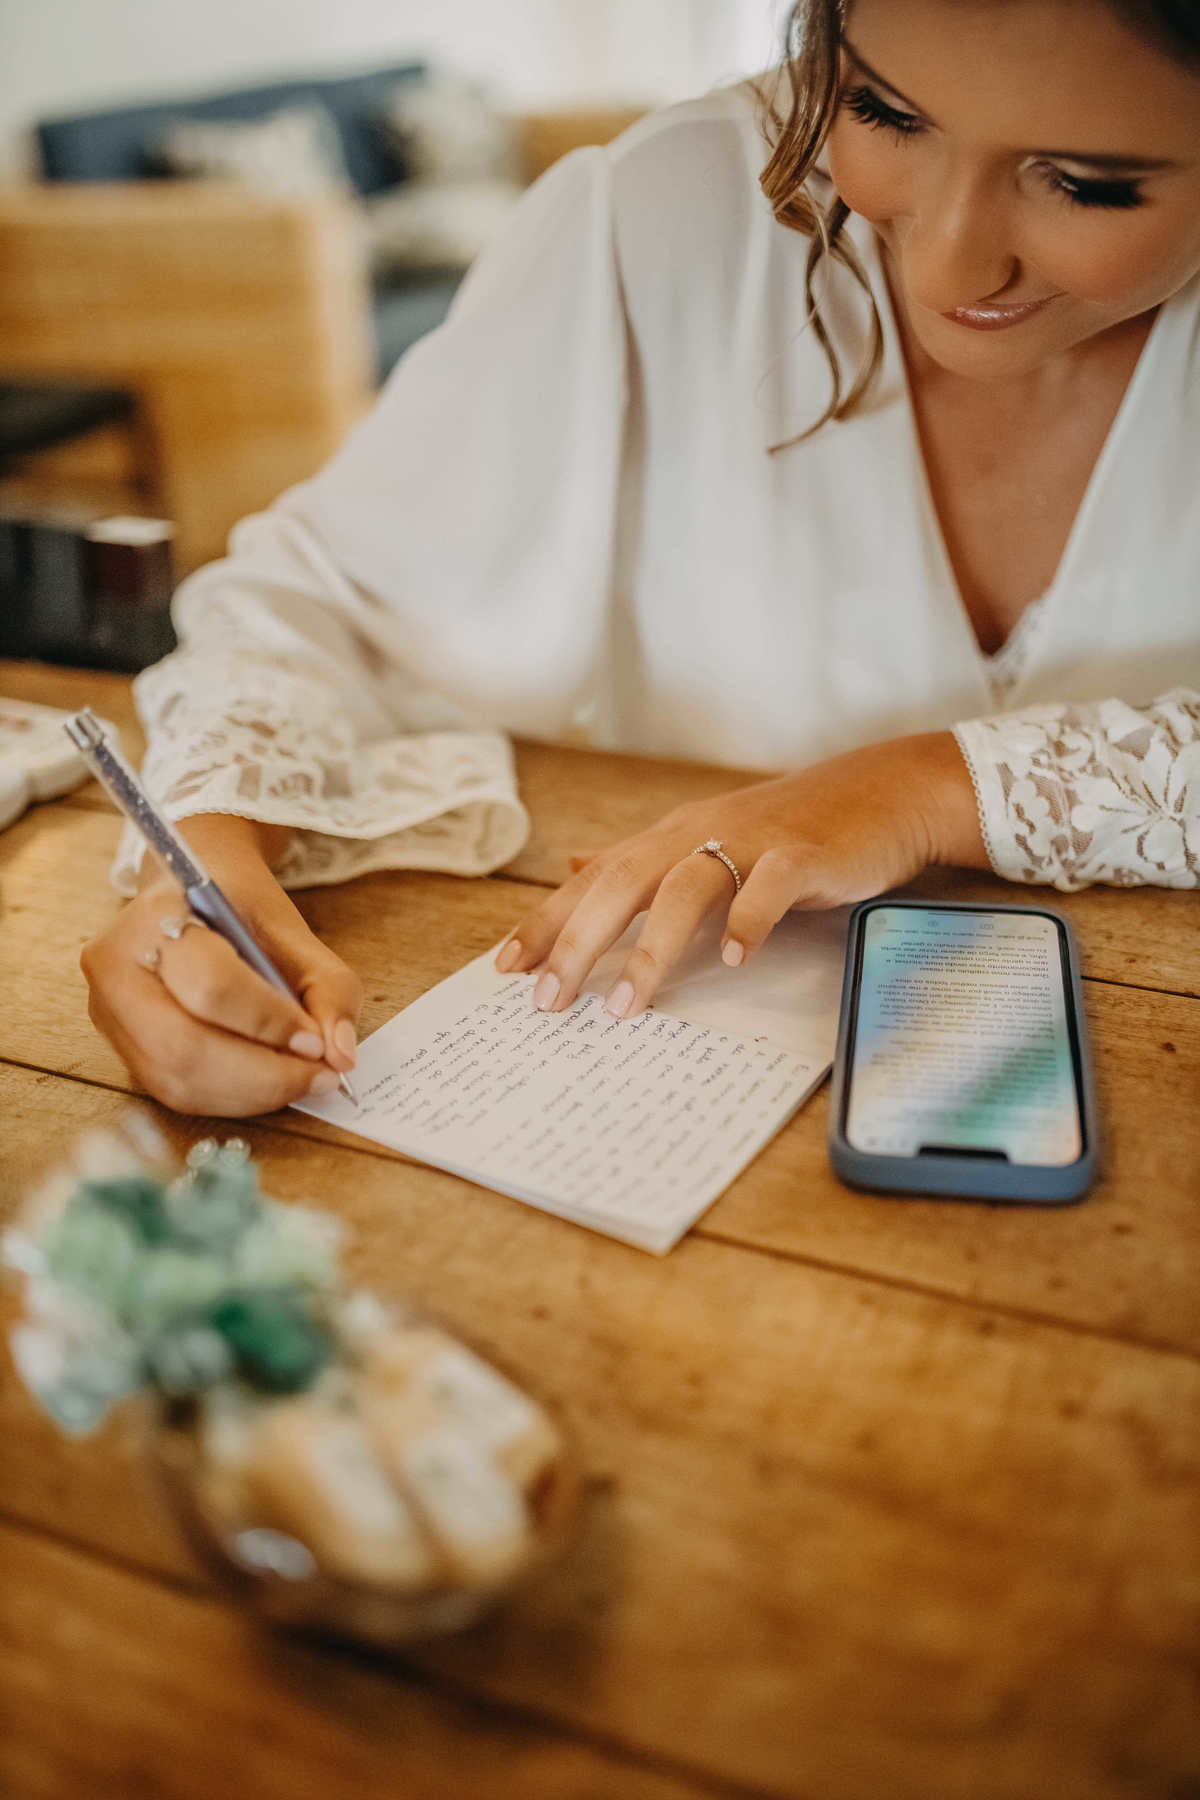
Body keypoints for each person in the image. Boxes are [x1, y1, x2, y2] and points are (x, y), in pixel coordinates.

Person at [83, 0, 1199, 1118]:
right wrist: (214, 853)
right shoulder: (662, 214)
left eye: (1087, 183)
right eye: (882, 110)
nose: (949, 261)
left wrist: (918, 789)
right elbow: (319, 598)